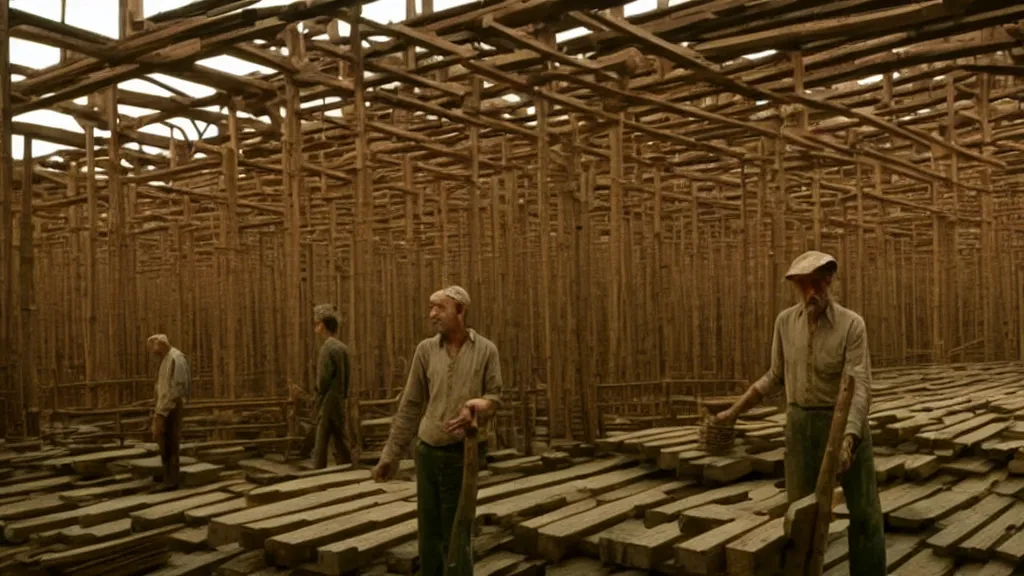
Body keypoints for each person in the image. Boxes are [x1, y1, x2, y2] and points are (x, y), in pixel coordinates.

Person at [714, 250, 886, 575]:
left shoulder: (852, 325)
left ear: (829, 281)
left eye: (816, 284)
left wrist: (849, 437)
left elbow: (859, 385)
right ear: (795, 287)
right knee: (800, 514)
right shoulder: (784, 323)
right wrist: (734, 411)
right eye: (803, 286)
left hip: (842, 423)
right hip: (801, 426)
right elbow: (774, 376)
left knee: (864, 513)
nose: (811, 293)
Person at [374, 286, 502, 576]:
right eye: (430, 307)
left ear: (460, 310)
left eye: (439, 308)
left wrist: (475, 406)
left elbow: (495, 398)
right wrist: (390, 455)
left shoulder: (486, 350)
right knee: (429, 534)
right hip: (427, 451)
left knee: (457, 532)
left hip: (462, 454)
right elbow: (410, 405)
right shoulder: (425, 350)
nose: (432, 314)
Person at [304, 304, 354, 469]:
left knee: (322, 434)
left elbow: (323, 379)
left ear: (323, 326)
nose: (316, 327)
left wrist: (318, 393)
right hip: (339, 397)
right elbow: (347, 376)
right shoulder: (342, 347)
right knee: (339, 434)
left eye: (317, 324)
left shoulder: (327, 348)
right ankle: (348, 464)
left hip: (327, 399)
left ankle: (318, 468)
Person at [148, 334, 190, 489]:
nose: (153, 352)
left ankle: (172, 479)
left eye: (154, 348)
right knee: (163, 440)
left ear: (161, 345)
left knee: (170, 441)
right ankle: (168, 475)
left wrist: (163, 411)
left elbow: (177, 387)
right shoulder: (166, 359)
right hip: (164, 406)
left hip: (171, 406)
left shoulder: (176, 358)